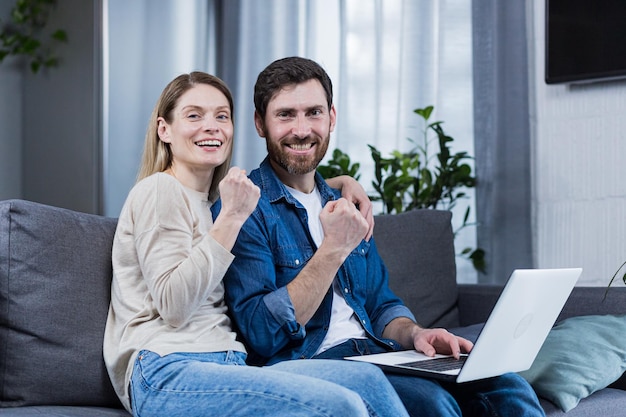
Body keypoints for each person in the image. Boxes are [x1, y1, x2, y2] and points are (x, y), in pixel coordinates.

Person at [218, 57, 546, 417]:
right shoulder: (246, 207)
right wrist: (333, 249)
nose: (301, 129)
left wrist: (416, 334)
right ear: (260, 124)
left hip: (379, 352)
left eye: (313, 112)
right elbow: (262, 334)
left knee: (508, 386)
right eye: (285, 115)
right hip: (312, 362)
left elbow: (380, 304)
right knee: (433, 403)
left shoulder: (344, 203)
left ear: (332, 118)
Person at [102, 71, 410, 417]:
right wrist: (233, 217)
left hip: (232, 363)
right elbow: (174, 306)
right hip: (166, 366)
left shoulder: (212, 202)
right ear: (164, 130)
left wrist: (341, 183)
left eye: (221, 116)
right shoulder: (160, 190)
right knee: (340, 406)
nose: (211, 126)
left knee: (367, 382)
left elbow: (286, 183)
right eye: (194, 115)